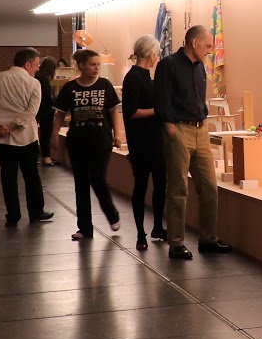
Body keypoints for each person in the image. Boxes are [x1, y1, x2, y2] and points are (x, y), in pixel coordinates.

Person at [154, 24, 232, 260]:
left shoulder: (200, 67)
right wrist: (169, 124)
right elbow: (161, 96)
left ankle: (208, 238)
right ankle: (176, 242)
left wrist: (204, 119)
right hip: (178, 129)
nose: (210, 50)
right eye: (207, 46)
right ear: (195, 43)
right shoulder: (168, 65)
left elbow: (199, 97)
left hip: (200, 130)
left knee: (209, 187)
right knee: (178, 188)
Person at [52, 49, 124, 241]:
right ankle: (85, 228)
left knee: (98, 178)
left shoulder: (105, 85)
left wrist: (117, 134)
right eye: (93, 64)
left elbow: (113, 111)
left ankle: (112, 213)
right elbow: (60, 113)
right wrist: (54, 135)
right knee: (81, 183)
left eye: (98, 64)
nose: (96, 68)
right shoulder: (70, 88)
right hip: (77, 141)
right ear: (82, 65)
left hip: (101, 140)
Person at [0, 48, 53, 228]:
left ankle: (12, 215)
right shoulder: (33, 83)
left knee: (8, 176)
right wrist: (12, 127)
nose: (38, 68)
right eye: (36, 65)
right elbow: (31, 111)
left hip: (0, 138)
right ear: (27, 64)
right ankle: (36, 211)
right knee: (31, 175)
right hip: (26, 137)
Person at [122, 36, 168, 251]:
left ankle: (157, 227)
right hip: (140, 141)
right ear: (151, 54)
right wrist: (158, 111)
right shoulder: (133, 78)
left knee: (160, 184)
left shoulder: (148, 76)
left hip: (155, 139)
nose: (158, 56)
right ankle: (140, 233)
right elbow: (132, 112)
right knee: (141, 186)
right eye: (157, 53)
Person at [35, 56, 58, 166]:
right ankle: (46, 157)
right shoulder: (44, 79)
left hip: (36, 108)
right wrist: (55, 106)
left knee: (34, 133)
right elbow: (49, 96)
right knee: (46, 133)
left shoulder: (37, 76)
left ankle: (35, 157)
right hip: (45, 110)